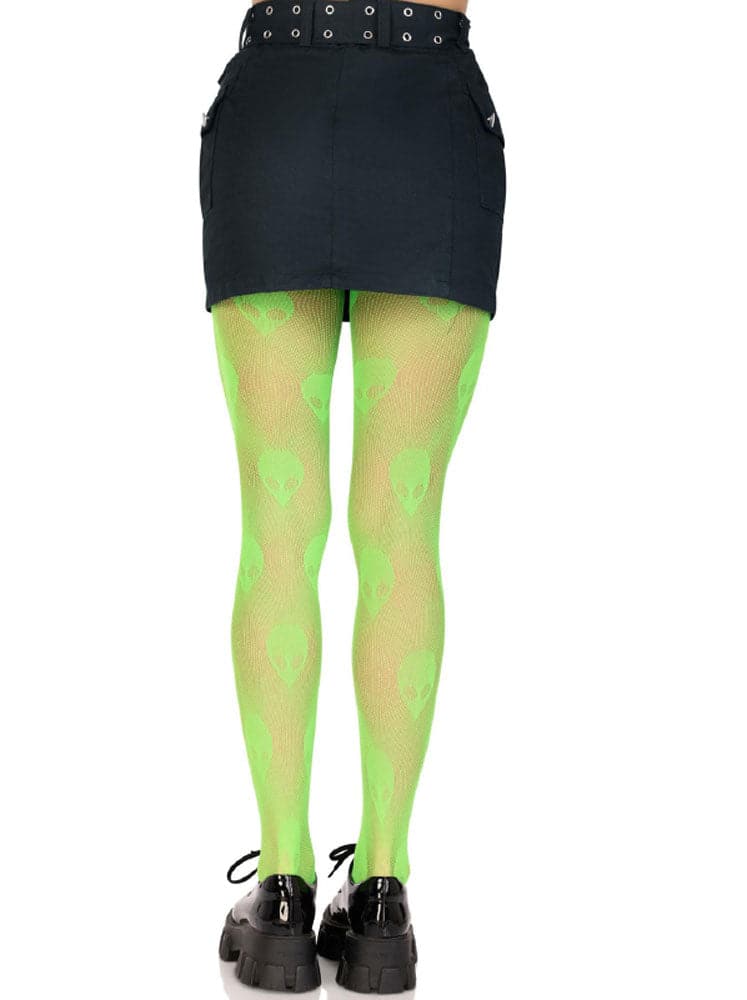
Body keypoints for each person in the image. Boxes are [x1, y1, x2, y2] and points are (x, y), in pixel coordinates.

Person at [200, 0, 506, 991]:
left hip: (279, 112)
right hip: (427, 126)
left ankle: (282, 886)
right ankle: (381, 891)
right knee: (401, 529)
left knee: (278, 524)